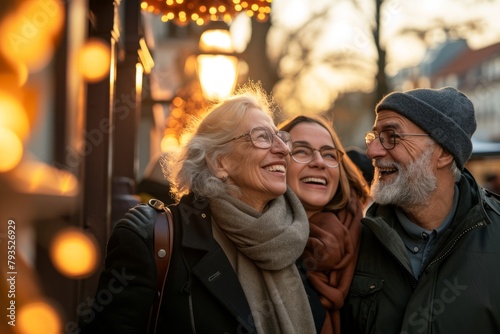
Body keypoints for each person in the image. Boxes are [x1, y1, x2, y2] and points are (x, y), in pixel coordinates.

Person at [80, 83, 325, 334]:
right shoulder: (149, 238)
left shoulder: (299, 238)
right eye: (263, 137)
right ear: (220, 162)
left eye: (281, 139)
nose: (284, 150)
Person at [341, 87, 500, 333]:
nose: (372, 151)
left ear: (444, 153)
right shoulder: (353, 239)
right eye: (374, 136)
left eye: (392, 136)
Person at [279, 115, 370, 334]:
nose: (319, 162)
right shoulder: (254, 242)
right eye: (301, 151)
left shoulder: (373, 240)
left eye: (329, 154)